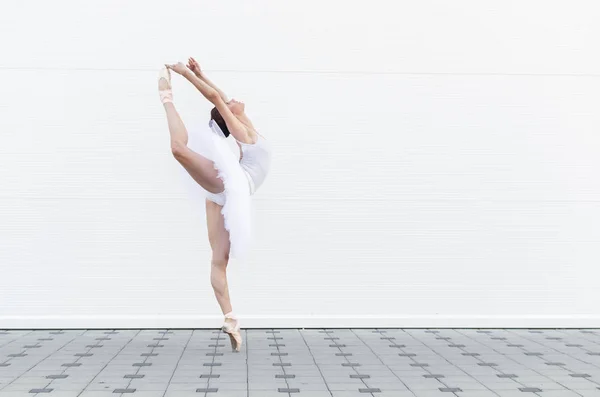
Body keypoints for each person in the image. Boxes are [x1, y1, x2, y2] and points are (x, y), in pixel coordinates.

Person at [157, 57, 272, 352]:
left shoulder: (247, 126)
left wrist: (200, 73)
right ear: (228, 117)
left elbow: (218, 96)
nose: (233, 99)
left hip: (232, 190)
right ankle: (166, 98)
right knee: (178, 150)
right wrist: (184, 74)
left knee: (220, 260)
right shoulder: (245, 135)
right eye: (229, 103)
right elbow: (216, 98)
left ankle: (230, 318)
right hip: (232, 184)